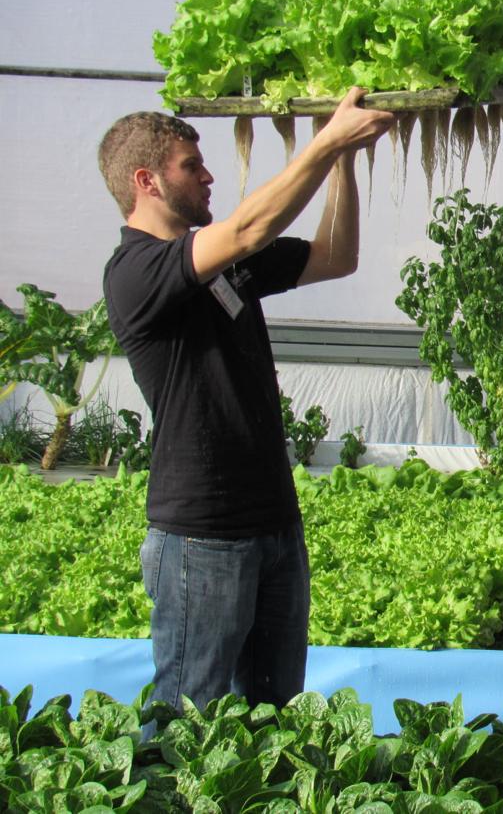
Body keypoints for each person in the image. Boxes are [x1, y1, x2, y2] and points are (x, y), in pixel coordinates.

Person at [100, 89, 394, 714]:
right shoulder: (136, 271)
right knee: (189, 716)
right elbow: (247, 227)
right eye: (191, 166)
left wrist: (343, 161)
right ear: (146, 181)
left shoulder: (226, 265)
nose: (208, 176)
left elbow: (336, 256)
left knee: (273, 712)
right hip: (202, 535)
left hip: (275, 522)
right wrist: (327, 141)